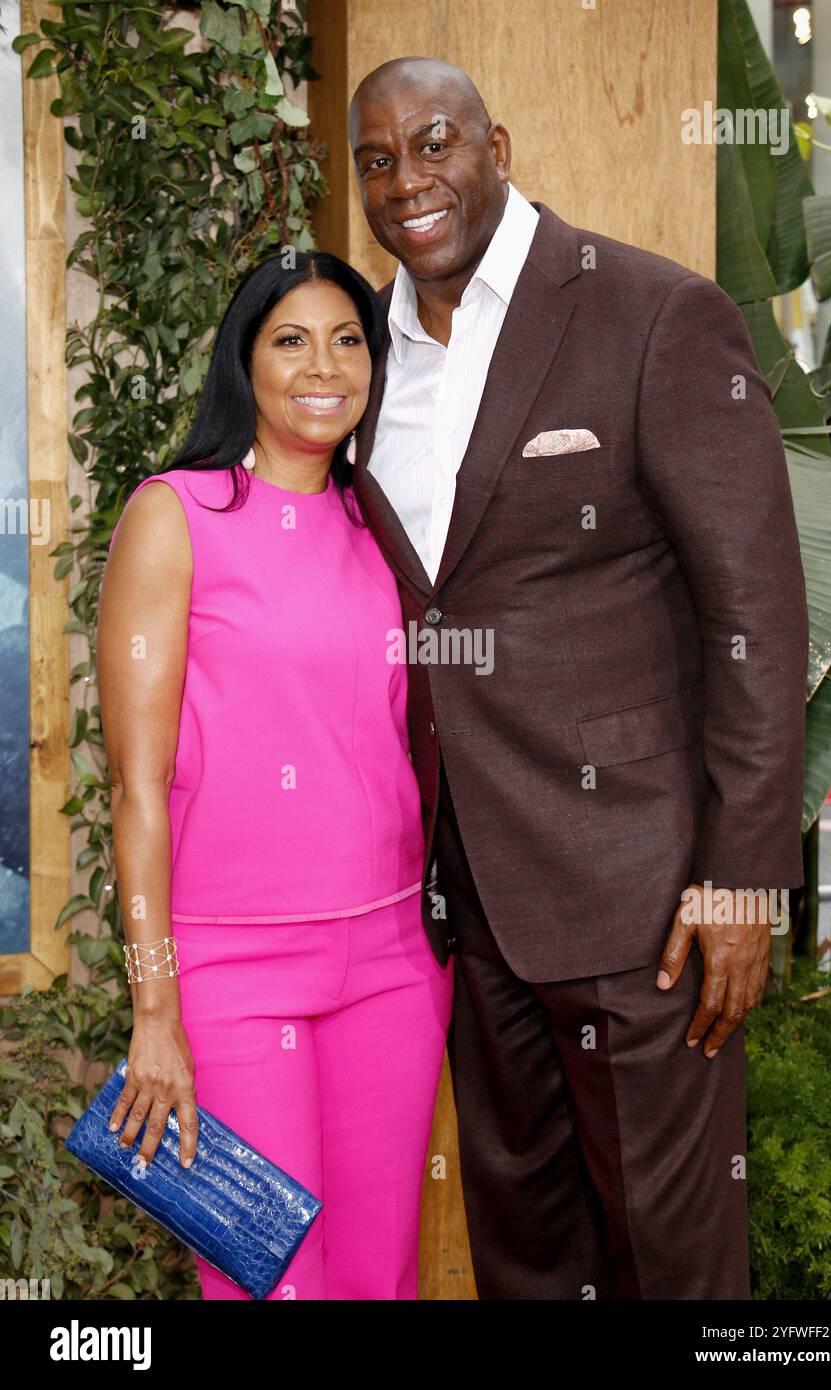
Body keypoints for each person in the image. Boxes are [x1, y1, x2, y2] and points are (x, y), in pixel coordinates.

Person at [347, 57, 810, 1300]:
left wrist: (743, 880)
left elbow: (756, 614)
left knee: (671, 1264)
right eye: (377, 161)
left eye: (433, 144)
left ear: (495, 143)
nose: (408, 182)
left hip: (645, 897)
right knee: (528, 1258)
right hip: (468, 904)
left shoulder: (651, 313)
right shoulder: (363, 361)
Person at [96, 251, 453, 1301]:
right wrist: (154, 1008)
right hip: (227, 979)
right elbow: (134, 790)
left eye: (348, 339)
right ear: (242, 361)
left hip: (391, 962)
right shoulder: (177, 514)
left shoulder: (382, 529)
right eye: (289, 339)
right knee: (266, 1281)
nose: (323, 365)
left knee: (379, 1276)